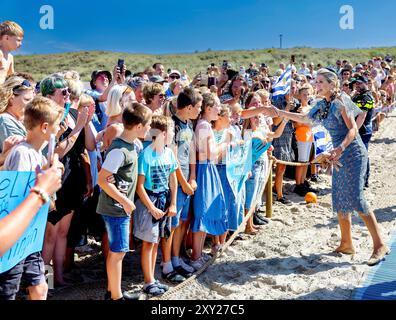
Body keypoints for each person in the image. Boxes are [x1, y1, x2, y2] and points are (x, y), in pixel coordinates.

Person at [264, 68, 389, 266]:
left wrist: (340, 148)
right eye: (316, 81)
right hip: (337, 153)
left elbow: (353, 129)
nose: (316, 84)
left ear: (332, 83)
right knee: (339, 197)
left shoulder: (341, 100)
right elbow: (305, 119)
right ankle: (346, 243)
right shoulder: (322, 104)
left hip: (353, 152)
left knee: (356, 198)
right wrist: (280, 112)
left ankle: (380, 245)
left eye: (321, 81)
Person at [0, 96, 63, 300]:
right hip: (15, 241)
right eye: (56, 125)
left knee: (40, 288)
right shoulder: (22, 153)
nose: (59, 128)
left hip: (30, 239)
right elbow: (17, 196)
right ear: (44, 127)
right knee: (8, 291)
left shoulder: (37, 154)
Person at [40, 75, 91, 286]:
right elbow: (57, 153)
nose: (68, 95)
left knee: (63, 232)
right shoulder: (48, 118)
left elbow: (86, 147)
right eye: (63, 92)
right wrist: (78, 127)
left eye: (68, 91)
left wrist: (85, 124)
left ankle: (58, 278)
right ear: (49, 96)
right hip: (56, 179)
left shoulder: (71, 113)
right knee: (50, 236)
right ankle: (44, 283)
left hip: (73, 178)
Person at [97, 103, 152, 300]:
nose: (149, 128)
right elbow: (102, 179)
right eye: (148, 125)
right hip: (116, 208)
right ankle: (117, 296)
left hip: (118, 206)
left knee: (117, 252)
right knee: (118, 252)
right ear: (138, 126)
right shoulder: (120, 149)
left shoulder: (128, 146)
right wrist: (125, 201)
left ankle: (113, 291)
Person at [134, 115, 180, 296]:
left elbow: (173, 179)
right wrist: (151, 207)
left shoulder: (168, 152)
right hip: (149, 201)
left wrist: (174, 203)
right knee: (149, 242)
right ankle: (148, 280)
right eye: (171, 131)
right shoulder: (146, 154)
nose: (173, 135)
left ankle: (152, 278)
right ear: (162, 133)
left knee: (156, 242)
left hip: (164, 199)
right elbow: (139, 186)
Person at [191, 93, 227, 270]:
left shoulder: (204, 125)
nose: (219, 110)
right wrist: (225, 143)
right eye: (217, 106)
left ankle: (198, 254)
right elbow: (210, 154)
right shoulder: (204, 125)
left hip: (206, 168)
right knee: (202, 212)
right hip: (205, 168)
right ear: (208, 108)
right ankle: (196, 256)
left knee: (204, 211)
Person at [170, 88, 202, 277]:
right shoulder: (172, 126)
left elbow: (191, 154)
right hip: (176, 182)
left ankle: (178, 255)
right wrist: (183, 182)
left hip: (187, 181)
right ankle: (172, 259)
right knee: (174, 224)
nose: (199, 110)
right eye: (197, 107)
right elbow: (173, 159)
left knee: (183, 222)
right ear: (189, 107)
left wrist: (192, 177)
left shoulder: (189, 125)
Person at [0, 75, 34, 152]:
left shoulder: (17, 119)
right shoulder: (5, 121)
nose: (31, 104)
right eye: (27, 99)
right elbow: (22, 153)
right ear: (11, 98)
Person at [352, 76, 375, 188]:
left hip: (363, 130)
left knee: (362, 155)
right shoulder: (358, 96)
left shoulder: (367, 98)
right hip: (358, 129)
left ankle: (364, 180)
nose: (357, 85)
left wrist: (354, 131)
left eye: (359, 83)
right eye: (356, 83)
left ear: (366, 83)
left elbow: (362, 116)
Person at [293, 85, 315, 196]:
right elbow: (296, 123)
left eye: (308, 94)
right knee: (301, 161)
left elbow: (313, 122)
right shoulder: (298, 108)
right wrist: (306, 122)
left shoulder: (310, 108)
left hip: (309, 135)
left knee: (306, 161)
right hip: (301, 135)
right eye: (304, 94)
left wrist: (306, 122)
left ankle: (302, 182)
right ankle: (298, 184)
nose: (306, 96)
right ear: (300, 96)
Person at [0, 21, 23, 85]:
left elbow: (11, 77)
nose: (21, 44)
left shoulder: (10, 57)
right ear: (6, 38)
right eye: (18, 40)